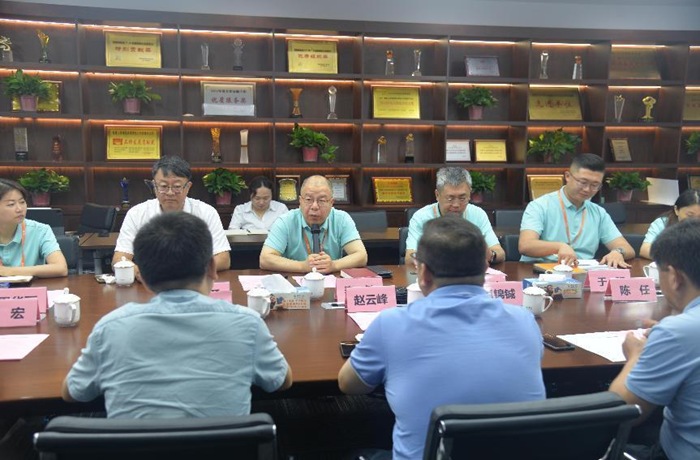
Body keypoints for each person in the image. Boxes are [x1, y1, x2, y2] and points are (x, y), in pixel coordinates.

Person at [339, 215, 546, 460]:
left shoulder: (391, 324)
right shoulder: (525, 321)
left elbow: (349, 385)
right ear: (485, 269)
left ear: (423, 273)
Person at [63, 212, 292, 418]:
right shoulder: (247, 323)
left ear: (142, 276)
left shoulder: (111, 328)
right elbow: (282, 381)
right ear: (212, 267)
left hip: (136, 446)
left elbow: (72, 392)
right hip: (223, 446)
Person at [609, 219, 700, 460]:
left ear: (674, 276)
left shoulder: (677, 332)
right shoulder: (680, 331)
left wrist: (636, 356)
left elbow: (621, 411)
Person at [113, 156, 231, 273]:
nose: (170, 193)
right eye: (163, 186)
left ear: (188, 187)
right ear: (154, 186)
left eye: (177, 187)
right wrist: (141, 273)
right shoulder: (136, 214)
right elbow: (119, 259)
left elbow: (223, 259)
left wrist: (185, 272)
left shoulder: (206, 212)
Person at [519, 153, 634, 267]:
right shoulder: (540, 206)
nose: (587, 189)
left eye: (595, 185)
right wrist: (559, 246)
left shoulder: (598, 213)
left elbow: (628, 249)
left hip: (583, 271)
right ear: (568, 176)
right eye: (583, 182)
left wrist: (618, 252)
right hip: (542, 269)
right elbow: (525, 245)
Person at [260, 175, 367, 274]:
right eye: (308, 200)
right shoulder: (286, 221)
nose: (314, 206)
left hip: (331, 281)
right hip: (294, 282)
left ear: (331, 203)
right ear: (300, 201)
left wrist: (334, 265)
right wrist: (302, 266)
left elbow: (361, 256)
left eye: (322, 200)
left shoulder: (341, 219)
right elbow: (265, 259)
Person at [404, 166, 505, 265]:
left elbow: (500, 253)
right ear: (437, 195)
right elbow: (409, 258)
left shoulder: (478, 214)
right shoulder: (421, 217)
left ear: (469, 194)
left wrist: (491, 255)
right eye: (450, 198)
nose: (456, 205)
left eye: (462, 198)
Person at [0, 179, 67, 278]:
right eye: (11, 204)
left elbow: (60, 268)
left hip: (31, 287)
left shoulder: (41, 230)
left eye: (22, 202)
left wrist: (9, 271)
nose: (19, 209)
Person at [639, 189, 700, 259]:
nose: (695, 220)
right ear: (676, 210)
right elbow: (645, 250)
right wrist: (677, 259)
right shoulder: (662, 223)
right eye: (690, 215)